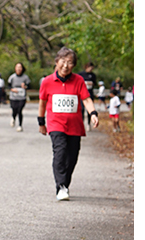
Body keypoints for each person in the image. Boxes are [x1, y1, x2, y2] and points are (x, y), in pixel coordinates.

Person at [37, 47, 99, 201]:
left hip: (75, 125)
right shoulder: (47, 82)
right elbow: (42, 103)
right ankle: (61, 186)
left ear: (74, 66)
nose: (65, 65)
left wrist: (93, 113)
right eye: (63, 61)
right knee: (60, 151)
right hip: (55, 124)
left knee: (72, 157)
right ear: (57, 62)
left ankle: (65, 183)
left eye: (70, 63)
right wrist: (41, 122)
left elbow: (86, 99)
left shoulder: (78, 80)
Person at [7, 62, 32, 130]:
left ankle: (20, 125)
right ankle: (13, 118)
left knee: (19, 110)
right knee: (14, 109)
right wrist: (12, 89)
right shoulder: (12, 77)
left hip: (22, 97)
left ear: (22, 68)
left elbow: (29, 86)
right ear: (15, 68)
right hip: (13, 96)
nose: (18, 69)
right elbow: (8, 86)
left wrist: (25, 87)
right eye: (17, 67)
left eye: (20, 67)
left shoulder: (25, 77)